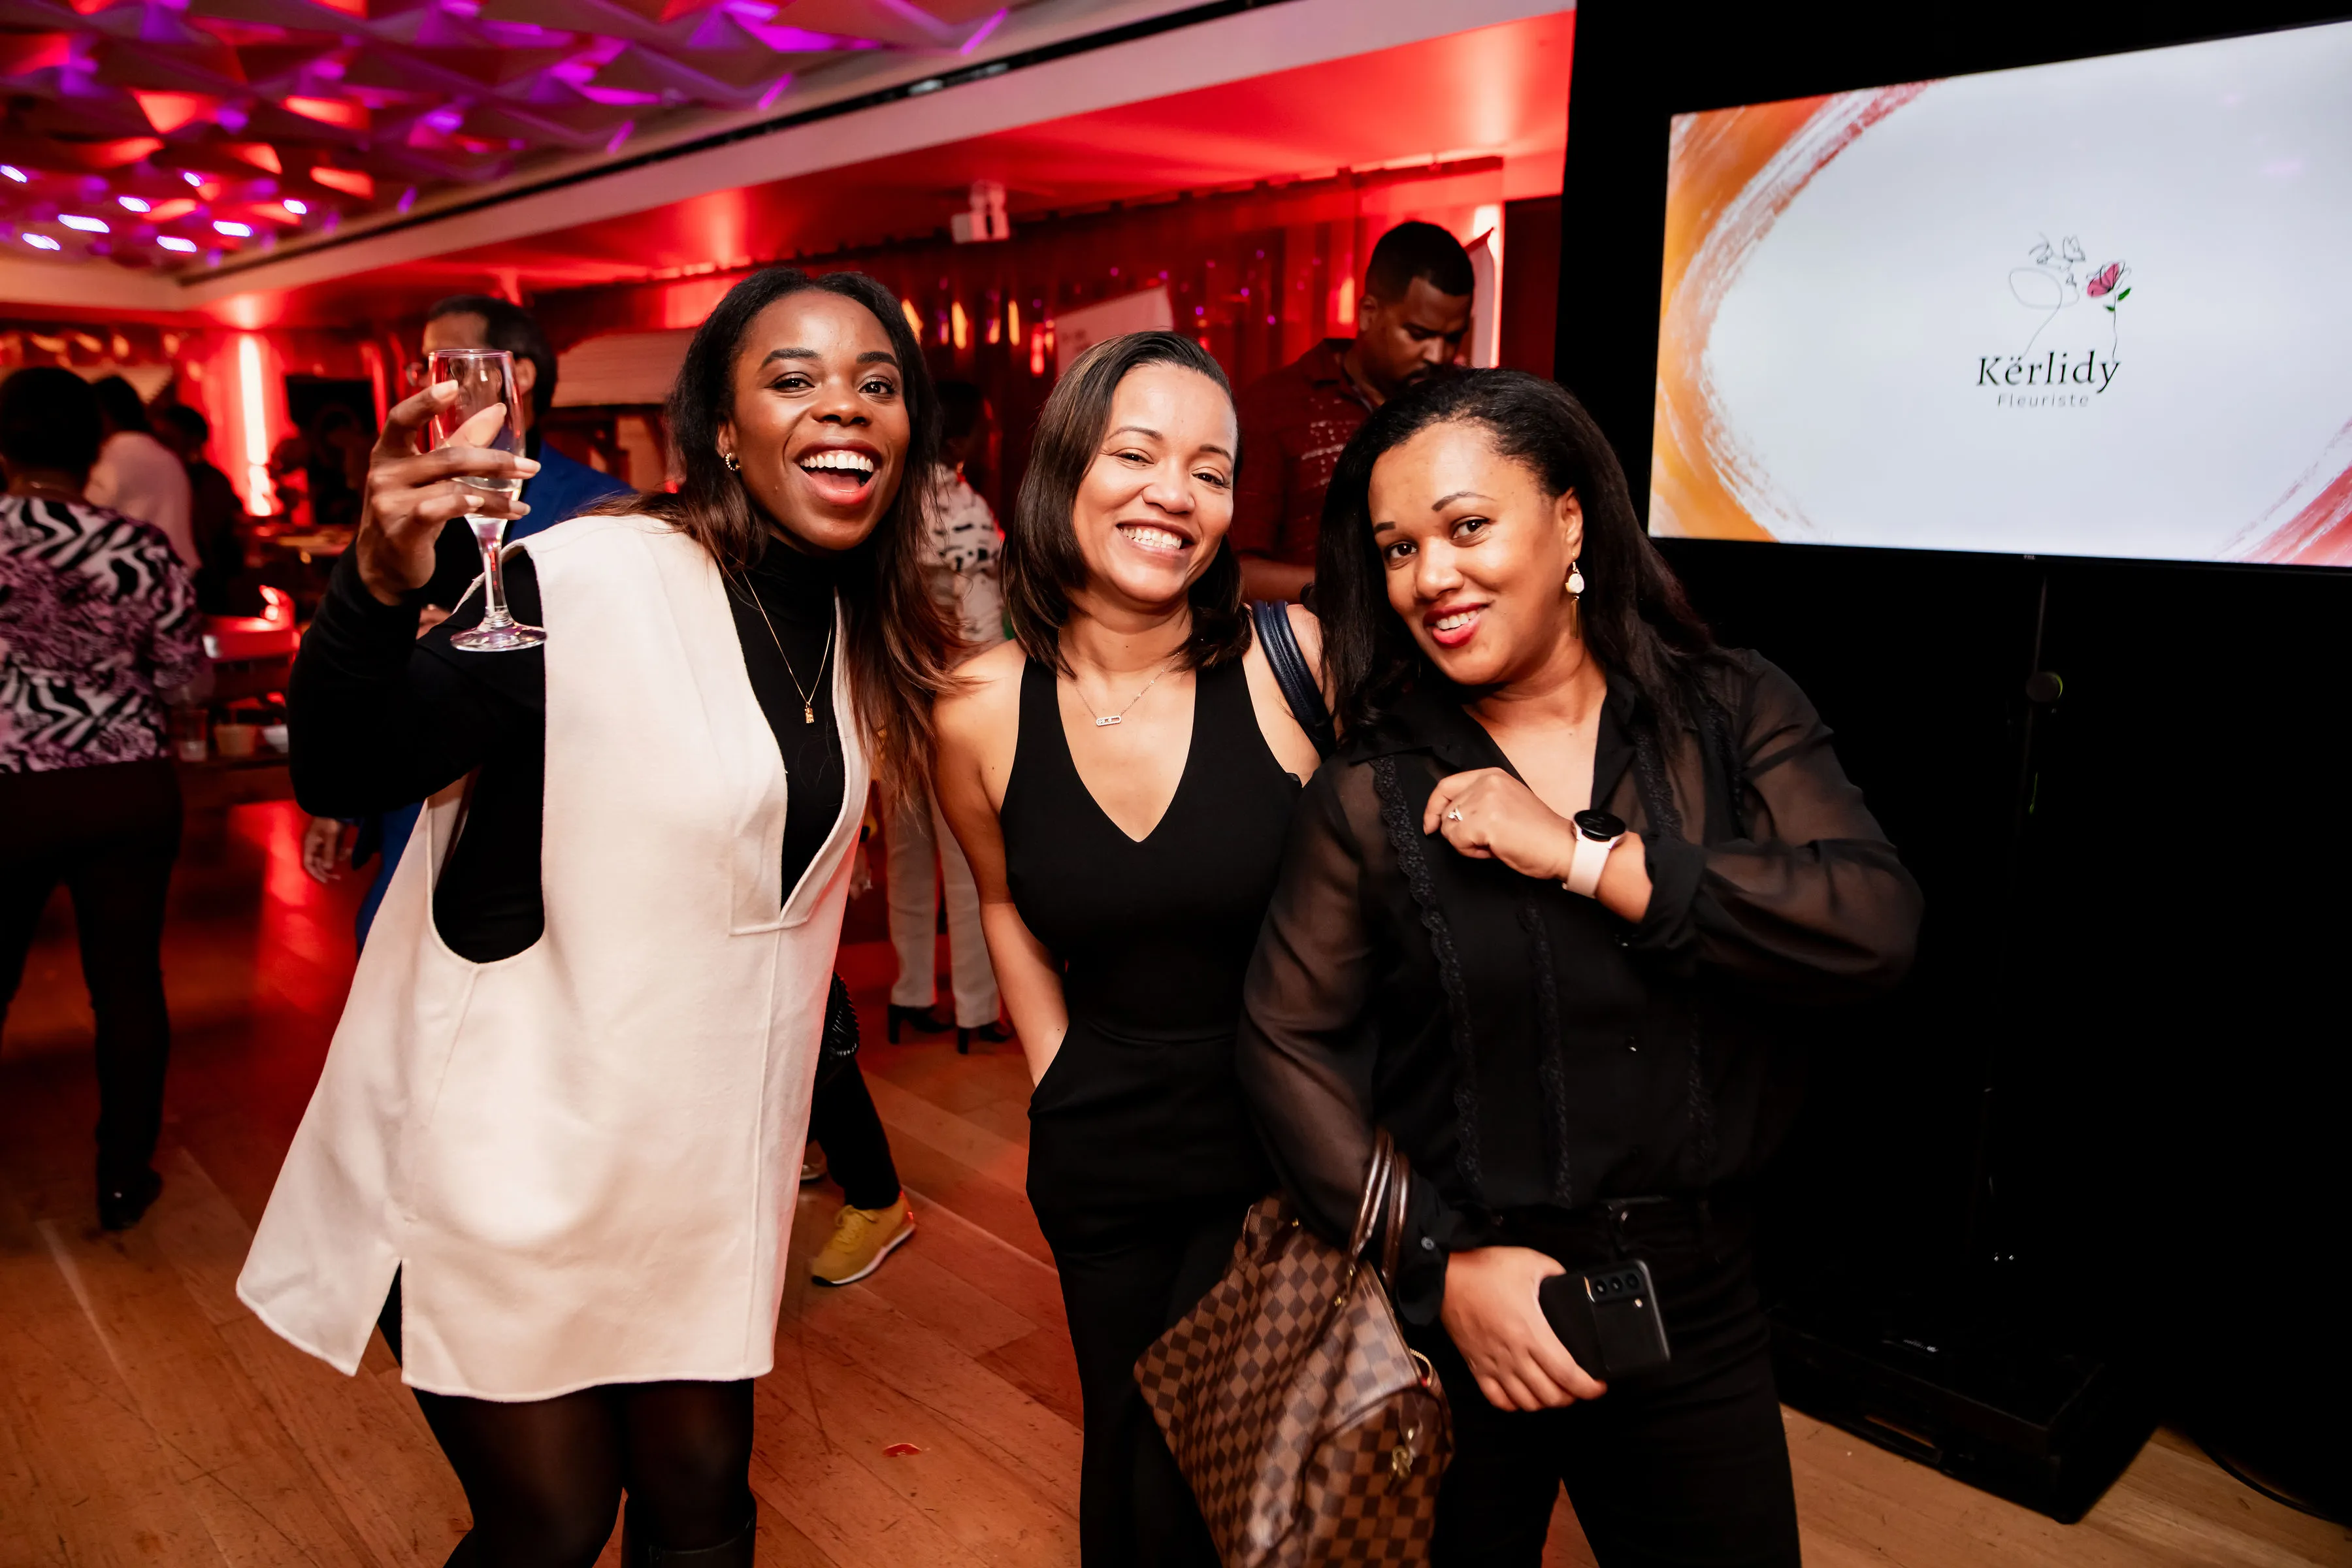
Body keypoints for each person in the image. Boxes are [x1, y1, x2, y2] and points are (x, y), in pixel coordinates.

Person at [237, 267, 958, 1568]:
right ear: (722, 429)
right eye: (792, 378)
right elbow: (347, 768)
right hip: (500, 1152)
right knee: (554, 1524)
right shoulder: (588, 579)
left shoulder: (864, 627)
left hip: (688, 1171)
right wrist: (375, 580)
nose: (843, 406)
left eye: (877, 382)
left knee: (702, 1507)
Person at [1235, 371, 1923, 1567]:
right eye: (1398, 549)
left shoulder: (1728, 712)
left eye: (1466, 527)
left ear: (1569, 523)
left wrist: (1585, 857)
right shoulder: (1373, 788)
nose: (1429, 577)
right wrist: (1442, 1266)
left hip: (1693, 1304)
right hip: (1459, 1315)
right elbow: (1285, 1041)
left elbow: (1872, 925)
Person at [934, 331, 1326, 1567]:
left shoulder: (1293, 664)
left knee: (1202, 1470)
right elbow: (1003, 903)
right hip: (1098, 1144)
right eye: (1138, 454)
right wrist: (1057, 1071)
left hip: (1274, 1141)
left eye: (1211, 471)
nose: (1175, 494)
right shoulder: (977, 706)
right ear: (1066, 470)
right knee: (1122, 1438)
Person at [311, 294, 634, 947]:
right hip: (407, 781)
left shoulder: (603, 507)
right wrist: (342, 808)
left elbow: (619, 672)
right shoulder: (411, 497)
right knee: (391, 959)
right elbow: (366, 647)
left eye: (451, 366)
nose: (432, 387)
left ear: (519, 376)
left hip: (528, 811)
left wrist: (461, 643)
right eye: (423, 368)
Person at [0, 367, 203, 1232]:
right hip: (125, 786)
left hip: (8, 790)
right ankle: (123, 1179)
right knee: (127, 987)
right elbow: (186, 679)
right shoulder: (140, 547)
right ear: (94, 450)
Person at [1232, 220, 1474, 603]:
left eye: (1452, 338)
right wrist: (1357, 593)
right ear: (1368, 313)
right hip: (1316, 637)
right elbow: (1236, 574)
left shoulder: (1462, 410)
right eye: (1418, 334)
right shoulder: (1276, 406)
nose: (1437, 354)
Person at [885, 379, 1005, 1051]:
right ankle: (975, 1009)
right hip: (954, 696)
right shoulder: (963, 505)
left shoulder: (894, 503)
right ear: (959, 438)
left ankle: (909, 995)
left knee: (907, 855)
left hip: (895, 696)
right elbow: (979, 624)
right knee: (969, 861)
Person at [88, 374, 197, 572]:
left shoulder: (111, 459)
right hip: (178, 570)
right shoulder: (167, 457)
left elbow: (90, 515)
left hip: (141, 572)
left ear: (102, 414)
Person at [155, 403, 248, 615]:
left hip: (204, 587)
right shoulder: (201, 478)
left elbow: (212, 531)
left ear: (194, 440)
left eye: (168, 440)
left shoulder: (208, 481)